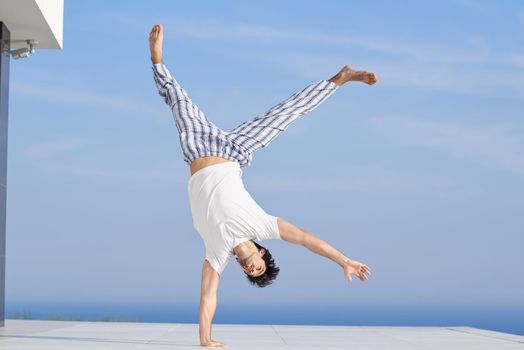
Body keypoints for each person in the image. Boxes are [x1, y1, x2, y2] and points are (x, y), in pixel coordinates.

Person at [149, 24, 374, 347]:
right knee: (284, 115)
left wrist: (205, 341)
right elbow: (308, 240)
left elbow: (207, 297)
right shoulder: (263, 225)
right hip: (234, 152)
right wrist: (344, 260)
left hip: (198, 150)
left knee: (176, 100)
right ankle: (340, 78)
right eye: (260, 266)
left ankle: (157, 61)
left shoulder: (218, 252)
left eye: (252, 273)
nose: (254, 269)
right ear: (263, 251)